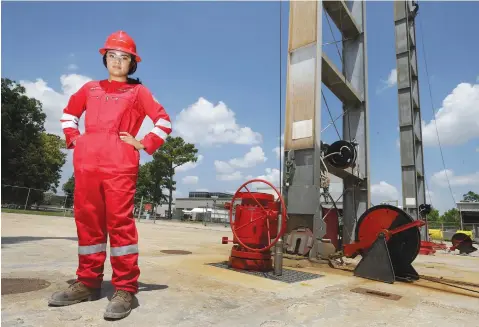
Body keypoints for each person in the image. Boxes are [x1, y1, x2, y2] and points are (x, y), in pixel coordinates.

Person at [48, 31, 172, 320]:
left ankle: (125, 288)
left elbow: (164, 121)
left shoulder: (138, 92)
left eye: (124, 57)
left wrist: (144, 142)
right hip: (87, 165)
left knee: (120, 227)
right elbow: (68, 114)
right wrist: (74, 137)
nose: (117, 62)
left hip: (120, 165)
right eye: (113, 56)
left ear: (132, 63)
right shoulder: (89, 89)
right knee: (88, 224)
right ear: (105, 58)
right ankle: (87, 283)